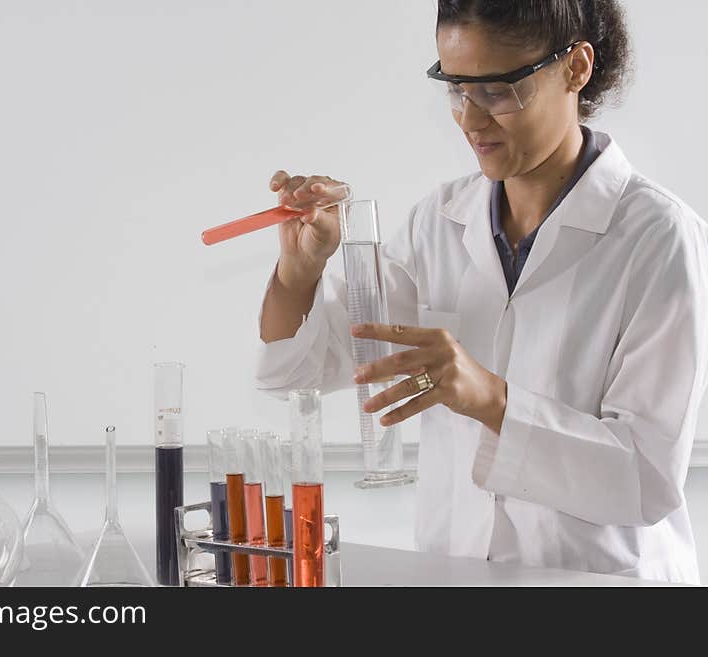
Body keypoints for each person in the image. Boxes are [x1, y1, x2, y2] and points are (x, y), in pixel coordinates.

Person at [254, 0, 708, 584]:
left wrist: (491, 400)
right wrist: (300, 272)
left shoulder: (656, 236)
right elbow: (298, 371)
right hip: (456, 577)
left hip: (601, 586)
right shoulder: (438, 224)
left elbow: (648, 480)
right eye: (456, 88)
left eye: (497, 91)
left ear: (576, 68)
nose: (471, 120)